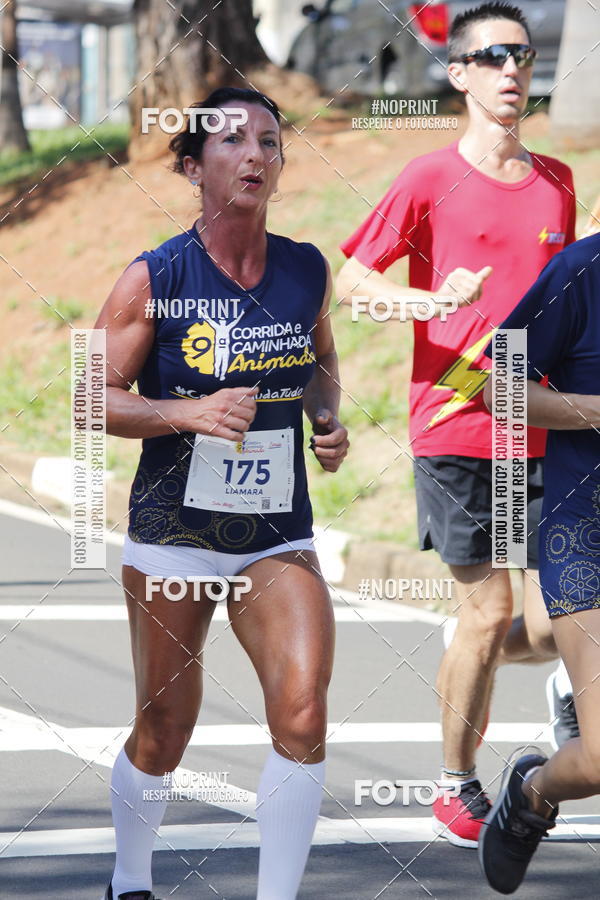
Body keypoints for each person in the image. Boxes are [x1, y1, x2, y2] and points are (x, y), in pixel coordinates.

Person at [95, 87, 348, 900]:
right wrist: (184, 412)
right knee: (165, 731)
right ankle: (130, 877)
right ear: (193, 165)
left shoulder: (306, 267)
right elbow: (87, 393)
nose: (255, 155)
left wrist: (327, 419)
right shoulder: (156, 274)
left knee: (303, 712)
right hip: (175, 531)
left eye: (270, 142)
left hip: (274, 530)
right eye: (233, 141)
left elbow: (318, 363)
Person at [336, 1, 577, 847]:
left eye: (526, 54)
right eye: (497, 56)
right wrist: (429, 299)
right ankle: (455, 785)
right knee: (486, 611)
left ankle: (520, 676)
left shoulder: (556, 181)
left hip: (543, 428)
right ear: (459, 72)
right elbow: (353, 281)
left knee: (556, 626)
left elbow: (562, 309)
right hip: (456, 427)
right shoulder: (426, 178)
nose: (515, 69)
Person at [479, 230, 600, 893]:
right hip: (586, 533)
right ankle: (532, 792)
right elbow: (497, 388)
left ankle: (568, 680)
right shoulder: (580, 271)